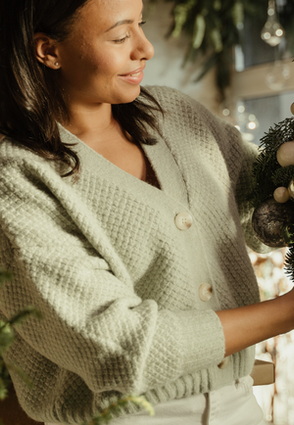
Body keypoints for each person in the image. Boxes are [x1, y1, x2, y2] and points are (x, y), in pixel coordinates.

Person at [0, 0, 294, 424]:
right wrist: (285, 313)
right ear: (48, 51)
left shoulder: (174, 114)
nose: (146, 48)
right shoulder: (18, 176)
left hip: (239, 404)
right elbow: (118, 348)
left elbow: (265, 210)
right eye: (120, 36)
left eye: (140, 25)